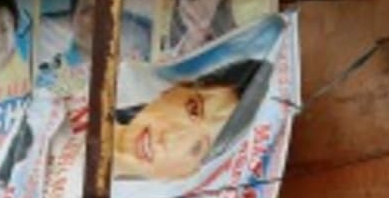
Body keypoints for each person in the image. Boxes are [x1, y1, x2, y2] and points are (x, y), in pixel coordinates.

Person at [110, 58, 272, 183]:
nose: (169, 138)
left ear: (189, 173)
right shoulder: (107, 80)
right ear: (175, 88)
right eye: (193, 109)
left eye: (196, 148)